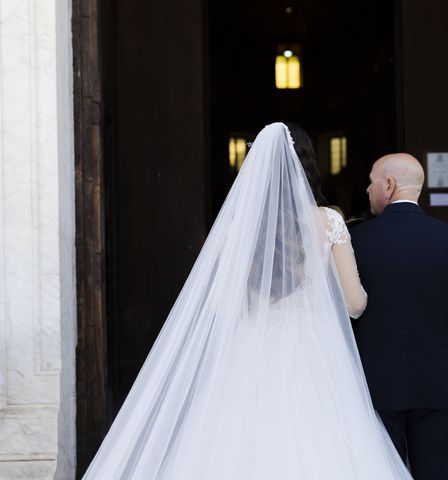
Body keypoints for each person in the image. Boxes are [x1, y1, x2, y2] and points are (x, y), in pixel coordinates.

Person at [82, 123, 411, 479]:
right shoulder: (328, 220)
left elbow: (221, 306)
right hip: (314, 356)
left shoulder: (238, 225)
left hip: (247, 352)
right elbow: (353, 303)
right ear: (307, 166)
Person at [351, 153, 448, 480]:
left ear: (389, 186)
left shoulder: (358, 240)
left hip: (376, 385)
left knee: (382, 472)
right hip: (436, 385)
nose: (367, 189)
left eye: (372, 181)